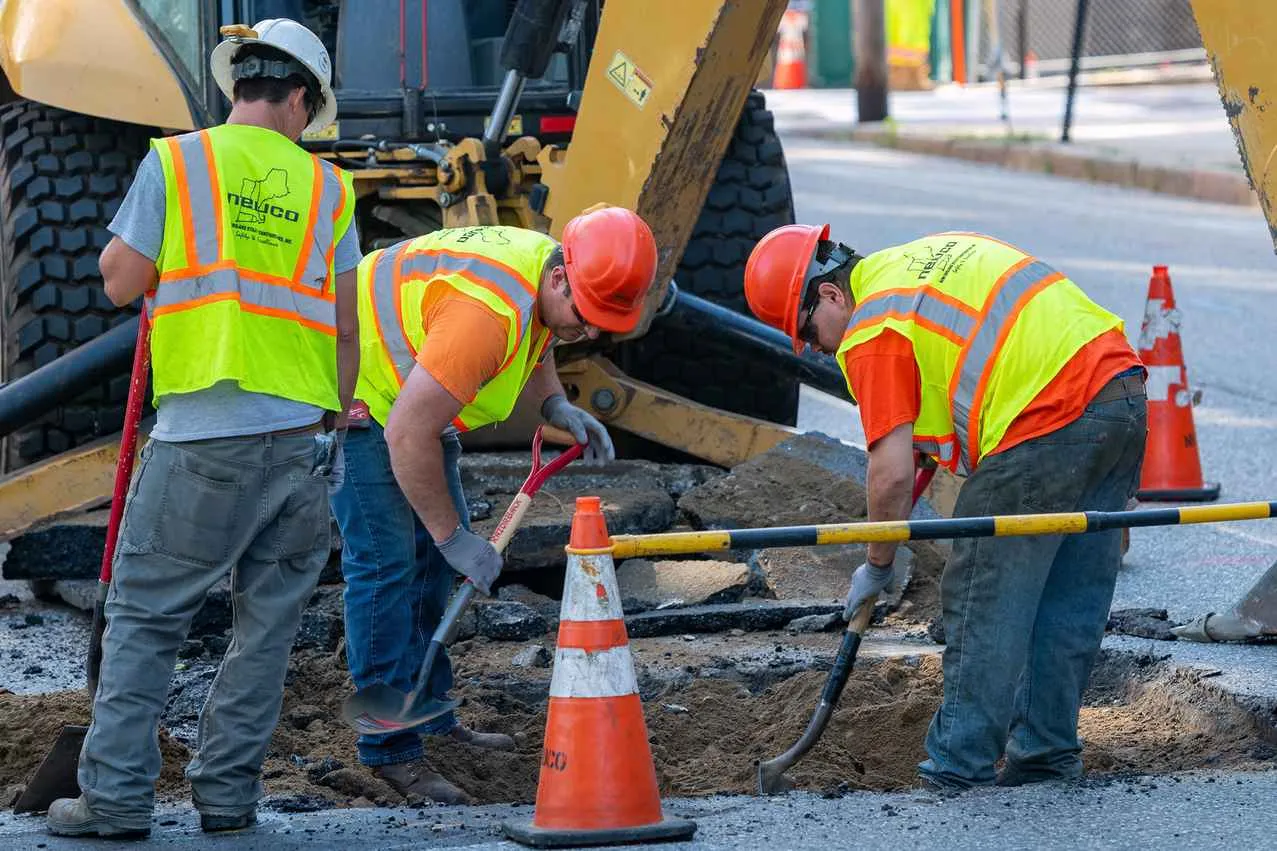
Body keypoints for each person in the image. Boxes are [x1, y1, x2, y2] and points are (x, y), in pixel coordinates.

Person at [48, 19, 360, 838]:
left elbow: (120, 282)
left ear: (238, 87)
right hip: (301, 441)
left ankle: (113, 800)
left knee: (148, 620)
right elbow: (349, 324)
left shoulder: (178, 160)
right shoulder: (330, 190)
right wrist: (332, 420)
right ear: (298, 96)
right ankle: (227, 799)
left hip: (202, 440)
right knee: (265, 632)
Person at [744, 225, 1147, 791]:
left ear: (830, 296)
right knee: (1068, 592)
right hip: (1122, 391)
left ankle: (958, 764)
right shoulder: (908, 269)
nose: (817, 348)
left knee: (984, 589)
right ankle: (1045, 755)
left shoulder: (871, 328)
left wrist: (877, 565)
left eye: (808, 332)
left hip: (1044, 414)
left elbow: (889, 472)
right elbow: (932, 418)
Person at [332, 205, 656, 803]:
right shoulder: (485, 317)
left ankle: (430, 720)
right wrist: (456, 539)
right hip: (359, 391)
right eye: (586, 318)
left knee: (430, 569)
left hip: (412, 392)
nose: (587, 334)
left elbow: (545, 335)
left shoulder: (547, 270)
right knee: (388, 569)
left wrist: (555, 404)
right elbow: (407, 434)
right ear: (561, 278)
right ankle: (388, 753)